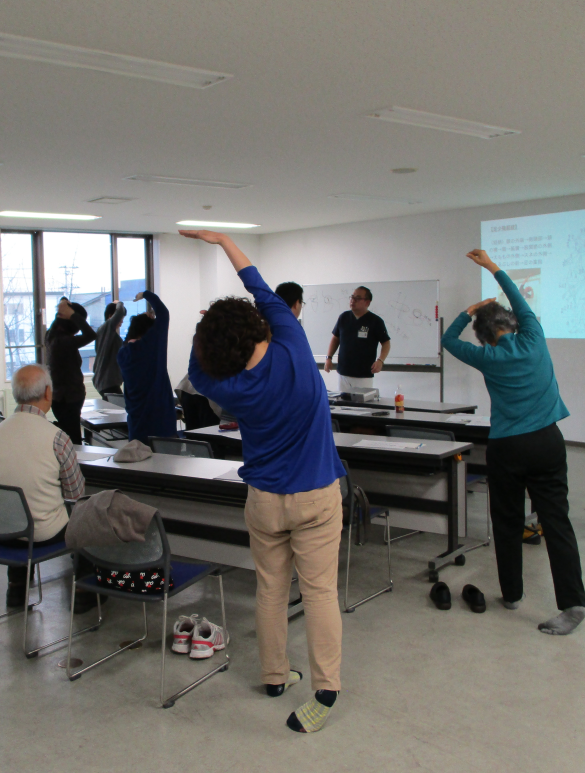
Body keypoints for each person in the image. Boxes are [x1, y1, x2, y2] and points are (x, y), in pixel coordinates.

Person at [182, 229, 346, 734]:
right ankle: (325, 690)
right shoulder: (293, 344)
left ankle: (275, 676)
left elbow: (196, 369)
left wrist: (204, 334)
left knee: (271, 590)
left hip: (264, 501)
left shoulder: (227, 385)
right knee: (319, 594)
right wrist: (222, 241)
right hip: (316, 496)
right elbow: (258, 285)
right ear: (261, 325)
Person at [441, 249, 585, 636]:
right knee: (557, 522)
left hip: (508, 447)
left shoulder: (487, 357)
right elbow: (520, 302)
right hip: (548, 442)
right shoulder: (534, 337)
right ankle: (573, 603)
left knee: (506, 522)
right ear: (513, 323)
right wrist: (492, 267)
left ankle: (512, 595)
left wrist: (468, 311)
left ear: (485, 337)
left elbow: (448, 340)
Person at [0, 364, 97, 610]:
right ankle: (85, 592)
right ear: (47, 393)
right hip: (40, 533)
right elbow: (76, 495)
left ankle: (16, 589)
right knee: (86, 517)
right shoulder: (57, 437)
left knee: (16, 508)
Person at [117, 291, 178, 444]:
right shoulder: (150, 346)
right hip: (161, 424)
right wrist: (146, 294)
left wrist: (144, 320)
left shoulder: (122, 354)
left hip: (136, 425)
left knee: (139, 459)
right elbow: (163, 314)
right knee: (165, 460)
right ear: (148, 330)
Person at [44, 299, 96, 446]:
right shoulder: (64, 342)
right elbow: (91, 335)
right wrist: (72, 314)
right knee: (74, 441)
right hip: (69, 399)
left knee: (69, 437)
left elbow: (56, 324)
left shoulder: (51, 336)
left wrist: (62, 311)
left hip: (59, 398)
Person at [324, 286, 390, 392]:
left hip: (364, 375)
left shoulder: (375, 321)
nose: (353, 300)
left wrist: (380, 360)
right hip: (343, 372)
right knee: (342, 401)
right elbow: (335, 338)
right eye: (352, 297)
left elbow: (386, 343)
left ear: (367, 302)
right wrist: (329, 358)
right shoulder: (344, 317)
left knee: (362, 402)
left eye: (358, 298)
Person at [92, 300, 127, 397]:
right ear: (110, 316)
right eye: (121, 318)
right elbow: (119, 312)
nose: (122, 321)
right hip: (107, 380)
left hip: (107, 380)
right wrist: (118, 303)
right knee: (119, 405)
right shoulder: (106, 328)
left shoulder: (108, 332)